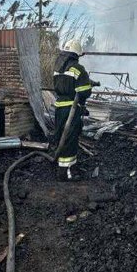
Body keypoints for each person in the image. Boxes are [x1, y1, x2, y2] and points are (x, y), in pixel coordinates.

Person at [52, 39, 93, 181]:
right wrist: (88, 85)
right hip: (71, 109)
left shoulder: (58, 67)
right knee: (70, 138)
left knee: (61, 136)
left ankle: (64, 166)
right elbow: (84, 92)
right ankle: (64, 173)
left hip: (59, 107)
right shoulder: (78, 68)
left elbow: (62, 85)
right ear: (76, 54)